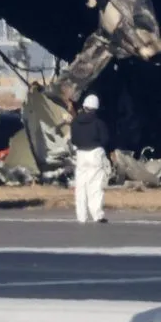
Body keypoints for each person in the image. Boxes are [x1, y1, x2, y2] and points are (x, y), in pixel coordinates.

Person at [70, 93, 110, 224]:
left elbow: (74, 140)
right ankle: (97, 214)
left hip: (81, 154)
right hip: (95, 153)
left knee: (81, 186)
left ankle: (81, 216)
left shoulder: (75, 122)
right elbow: (105, 139)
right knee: (95, 185)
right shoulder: (99, 123)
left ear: (84, 106)